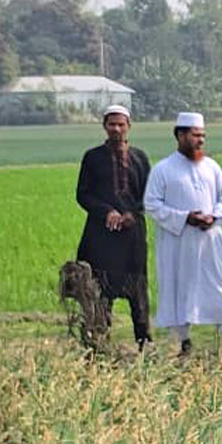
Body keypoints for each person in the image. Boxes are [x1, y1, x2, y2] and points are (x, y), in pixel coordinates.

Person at [144, 112, 222, 358]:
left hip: (210, 240)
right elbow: (152, 204)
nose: (200, 140)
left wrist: (214, 216)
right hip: (178, 243)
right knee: (178, 288)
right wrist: (185, 217)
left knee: (221, 287)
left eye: (202, 136)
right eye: (195, 135)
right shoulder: (163, 169)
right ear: (180, 135)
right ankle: (183, 343)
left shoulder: (212, 167)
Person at [75, 104, 152, 350]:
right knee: (100, 287)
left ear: (129, 126)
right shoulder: (92, 157)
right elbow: (82, 194)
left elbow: (150, 195)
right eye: (112, 124)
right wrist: (106, 212)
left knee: (137, 288)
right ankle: (99, 341)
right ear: (104, 127)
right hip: (101, 234)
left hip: (133, 236)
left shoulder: (140, 158)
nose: (116, 129)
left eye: (121, 124)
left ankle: (144, 341)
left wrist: (131, 214)